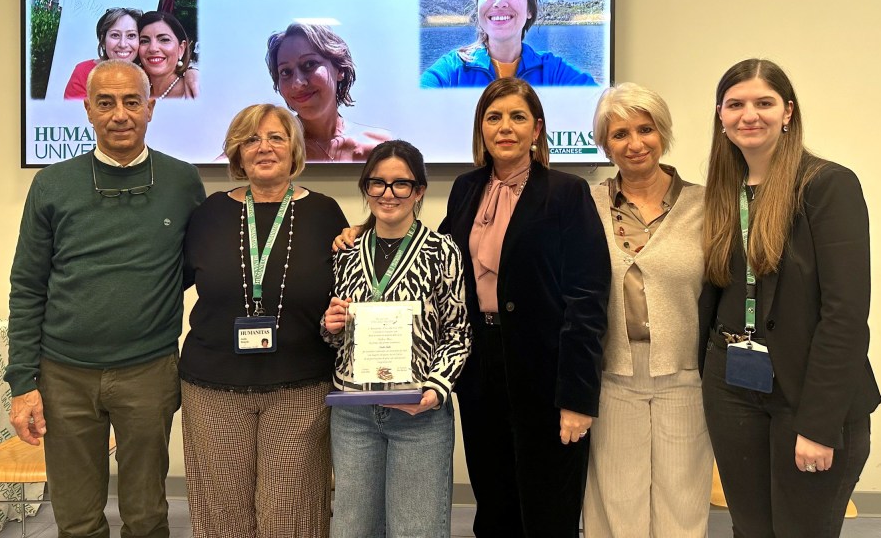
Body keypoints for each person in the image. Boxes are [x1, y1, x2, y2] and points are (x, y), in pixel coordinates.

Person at [5, 59, 205, 538]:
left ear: (150, 107)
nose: (120, 114)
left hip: (148, 370)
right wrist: (22, 383)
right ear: (88, 110)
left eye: (132, 101)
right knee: (76, 519)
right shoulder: (52, 184)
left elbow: (192, 266)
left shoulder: (182, 182)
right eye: (106, 102)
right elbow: (28, 286)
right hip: (64, 375)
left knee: (147, 516)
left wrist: (141, 295)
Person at [699, 58, 881, 537]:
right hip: (732, 387)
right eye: (735, 104)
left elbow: (845, 315)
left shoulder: (827, 185)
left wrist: (819, 426)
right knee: (750, 529)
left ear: (788, 112)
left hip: (806, 393)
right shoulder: (722, 190)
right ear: (720, 115)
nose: (749, 115)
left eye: (764, 102)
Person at [440, 77, 609, 536]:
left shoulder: (567, 192)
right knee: (494, 507)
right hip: (480, 366)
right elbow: (435, 258)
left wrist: (577, 398)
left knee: (547, 509)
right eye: (493, 117)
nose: (505, 127)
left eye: (517, 117)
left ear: (536, 129)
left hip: (546, 371)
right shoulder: (465, 189)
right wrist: (364, 231)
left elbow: (588, 299)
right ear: (481, 128)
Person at [180, 103, 348, 538]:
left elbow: (349, 291)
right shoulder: (209, 213)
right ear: (238, 152)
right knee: (224, 518)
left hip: (300, 388)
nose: (264, 147)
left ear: (294, 149)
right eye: (252, 139)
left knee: (290, 516)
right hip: (213, 387)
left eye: (276, 137)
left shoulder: (325, 213)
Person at [322, 140, 471, 538]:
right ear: (366, 188)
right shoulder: (345, 251)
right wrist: (331, 326)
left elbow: (458, 332)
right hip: (354, 412)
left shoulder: (442, 251)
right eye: (378, 183)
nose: (388, 194)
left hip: (419, 412)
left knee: (416, 529)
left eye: (401, 184)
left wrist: (435, 388)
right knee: (353, 528)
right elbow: (336, 337)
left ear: (419, 191)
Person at [582, 83, 712, 538]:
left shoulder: (706, 204)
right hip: (612, 373)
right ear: (605, 144)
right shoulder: (586, 204)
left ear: (663, 133)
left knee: (683, 500)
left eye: (646, 129)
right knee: (615, 501)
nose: (635, 143)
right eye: (620, 134)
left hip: (685, 373)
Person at [420, 0, 597, 88]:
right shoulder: (453, 69)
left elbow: (602, 102)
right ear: (478, 8)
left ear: (529, 9)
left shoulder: (552, 70)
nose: (499, 2)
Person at [266, 22, 389, 161]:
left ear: (340, 69)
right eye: (285, 72)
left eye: (309, 64)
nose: (297, 83)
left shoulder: (380, 149)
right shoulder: (269, 152)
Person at [63, 7, 142, 99]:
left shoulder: (148, 76)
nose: (123, 44)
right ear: (103, 40)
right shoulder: (83, 72)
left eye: (131, 35)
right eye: (115, 35)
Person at [137, 10, 198, 99]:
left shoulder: (195, 92)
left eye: (164, 40)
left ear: (181, 49)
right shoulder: (138, 91)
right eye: (144, 41)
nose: (153, 48)